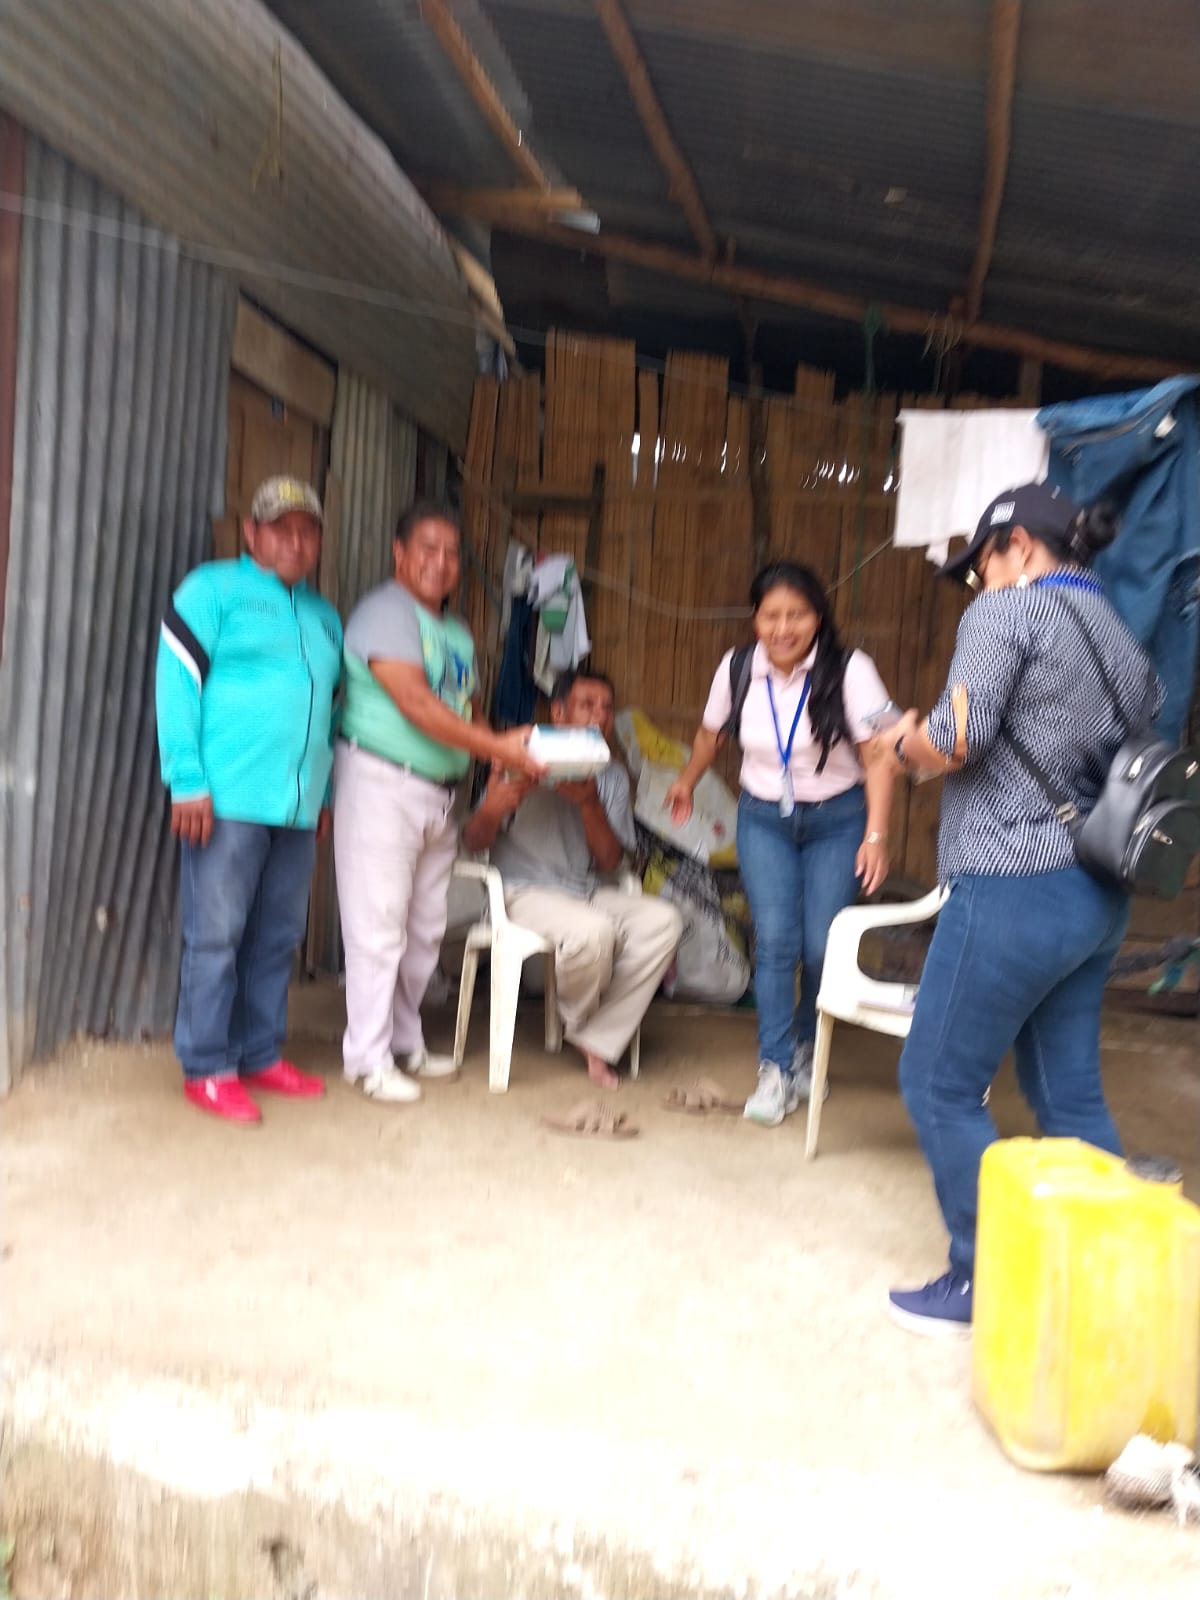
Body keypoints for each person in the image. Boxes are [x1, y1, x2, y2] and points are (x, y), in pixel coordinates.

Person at [874, 481, 1160, 1334]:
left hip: (1013, 884)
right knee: (1066, 1094)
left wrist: (902, 740)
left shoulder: (1008, 613)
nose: (979, 583)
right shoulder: (1122, 637)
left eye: (983, 566)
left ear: (1021, 548)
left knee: (938, 1084)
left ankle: (984, 1278)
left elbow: (955, 739)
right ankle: (1105, 1281)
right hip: (1095, 892)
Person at [665, 561, 896, 1128]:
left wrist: (876, 834)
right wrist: (686, 781)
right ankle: (773, 1066)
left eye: (797, 615)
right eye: (771, 616)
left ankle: (805, 1046)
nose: (783, 628)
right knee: (774, 942)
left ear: (818, 617)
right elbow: (710, 735)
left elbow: (879, 755)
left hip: (838, 820)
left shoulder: (851, 669)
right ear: (755, 618)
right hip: (764, 817)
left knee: (820, 946)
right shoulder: (739, 667)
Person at [334, 500, 543, 1104]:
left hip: (436, 794)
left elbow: (463, 704)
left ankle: (404, 1041)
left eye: (452, 552)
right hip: (383, 783)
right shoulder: (385, 613)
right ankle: (367, 1058)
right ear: (399, 553)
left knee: (423, 929)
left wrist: (496, 753)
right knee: (378, 928)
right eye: (427, 548)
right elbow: (418, 705)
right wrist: (496, 745)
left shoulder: (453, 631)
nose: (441, 562)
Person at [156, 475, 343, 1124]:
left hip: (296, 810)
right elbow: (176, 684)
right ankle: (208, 1066)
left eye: (308, 530)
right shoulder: (211, 591)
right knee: (216, 938)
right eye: (281, 528)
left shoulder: (324, 617)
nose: (296, 540)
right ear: (251, 533)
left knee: (276, 938)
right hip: (228, 800)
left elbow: (328, 714)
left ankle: (260, 1053)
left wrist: (323, 794)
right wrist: (186, 780)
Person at [461, 669, 682, 1088]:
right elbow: (474, 841)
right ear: (558, 713)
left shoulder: (611, 776)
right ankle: (585, 1026)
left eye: (607, 708)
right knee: (593, 932)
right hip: (522, 891)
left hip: (584, 890)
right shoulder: (520, 760)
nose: (599, 716)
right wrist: (492, 808)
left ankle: (595, 1036)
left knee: (663, 922)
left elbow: (610, 861)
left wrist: (589, 804)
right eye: (586, 705)